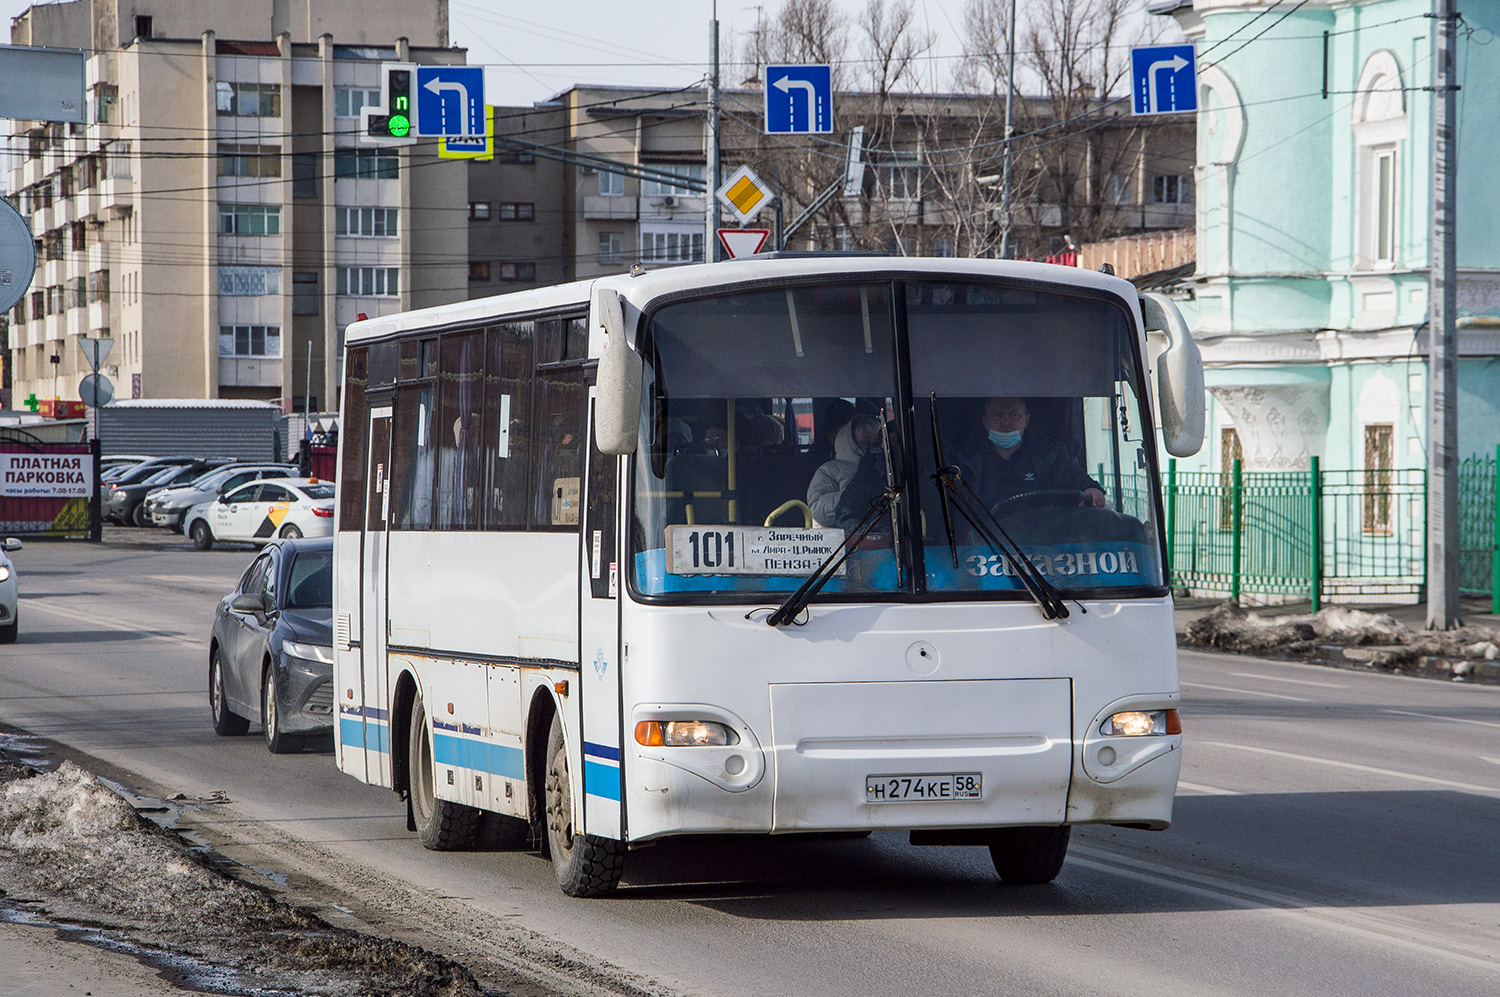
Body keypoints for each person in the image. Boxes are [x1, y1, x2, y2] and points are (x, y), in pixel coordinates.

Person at [956, 397, 1106, 511]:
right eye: (997, 415)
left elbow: (1085, 486)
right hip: (985, 548)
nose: (1006, 422)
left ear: (1026, 419)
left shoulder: (1051, 455)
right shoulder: (964, 461)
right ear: (984, 421)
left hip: (1045, 547)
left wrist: (1092, 491)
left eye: (1014, 414)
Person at [807, 415, 881, 527]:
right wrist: (851, 496)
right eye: (866, 442)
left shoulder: (888, 468)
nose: (873, 447)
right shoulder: (830, 470)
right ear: (850, 442)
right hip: (845, 536)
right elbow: (817, 509)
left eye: (877, 442)